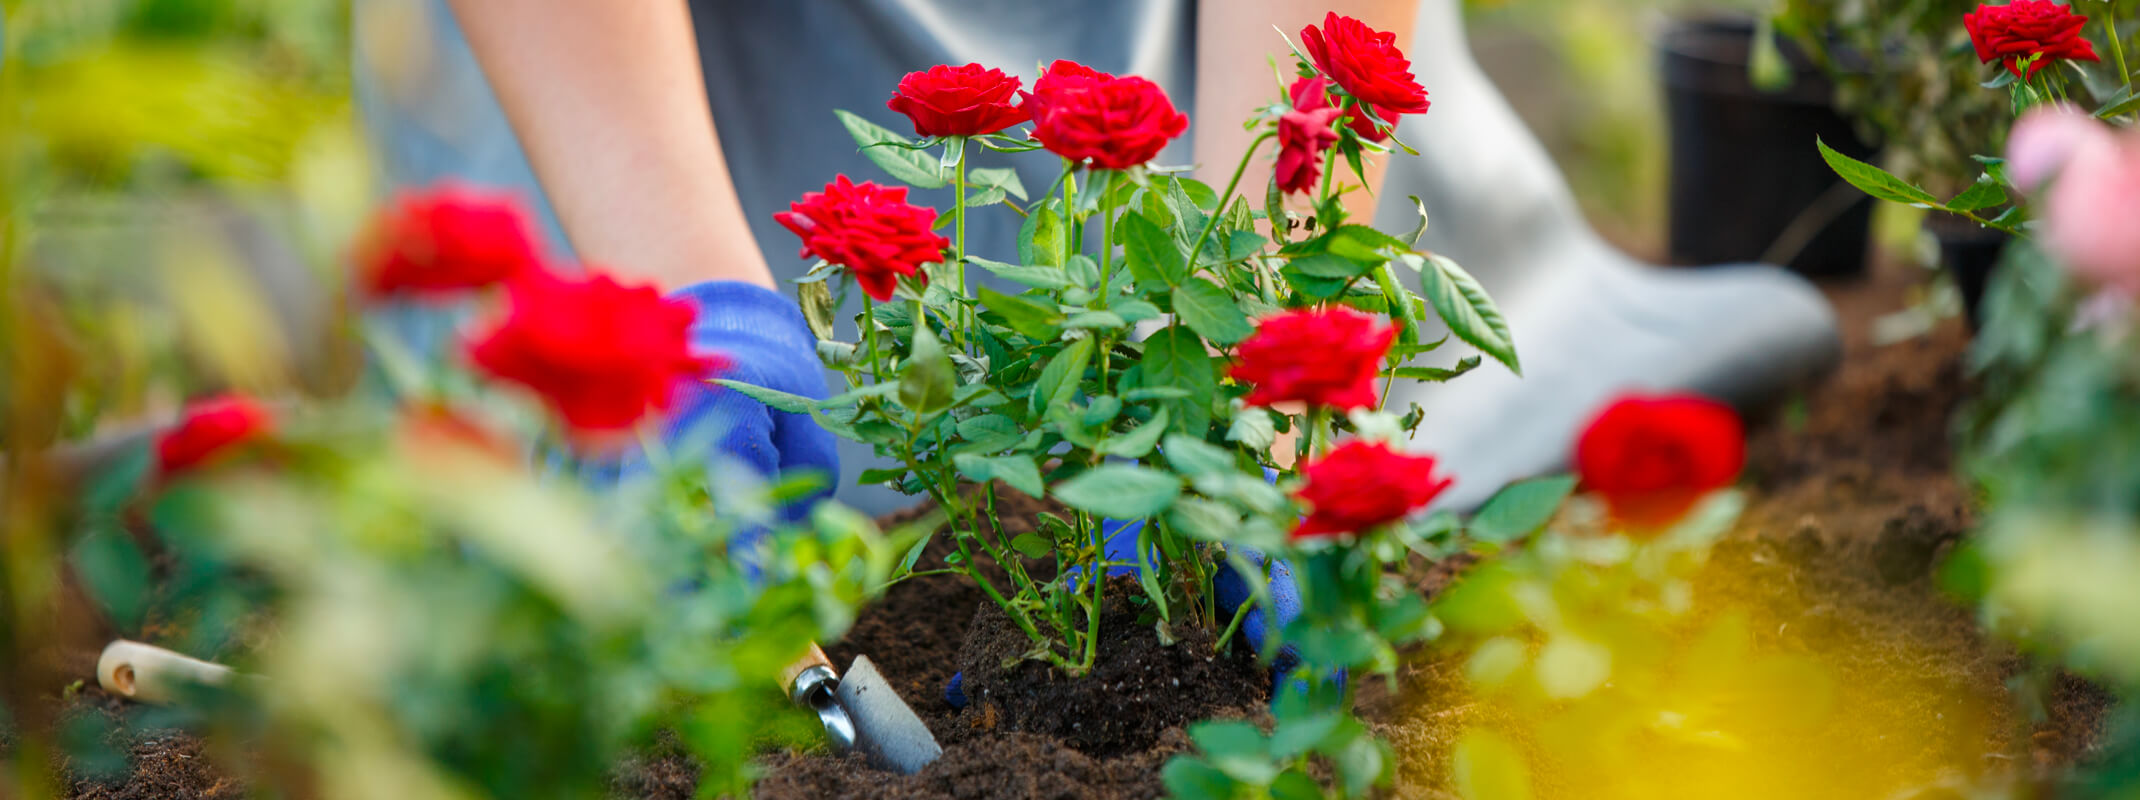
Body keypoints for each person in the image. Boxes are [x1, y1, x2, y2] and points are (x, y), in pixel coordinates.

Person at [354, 0, 1839, 691]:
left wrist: (1250, 353)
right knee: (554, 576)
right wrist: (685, 305)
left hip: (1225, 74)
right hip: (632, 89)